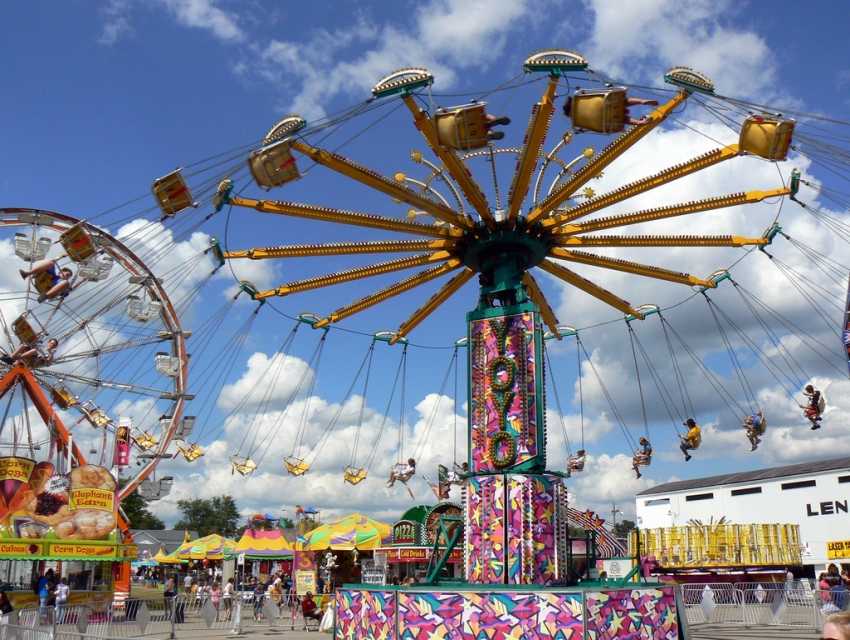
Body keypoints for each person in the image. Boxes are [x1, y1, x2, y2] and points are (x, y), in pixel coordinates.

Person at [563, 94, 659, 126]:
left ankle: (639, 122)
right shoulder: (580, 102)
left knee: (623, 119)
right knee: (623, 102)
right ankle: (642, 101)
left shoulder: (577, 115)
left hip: (603, 116)